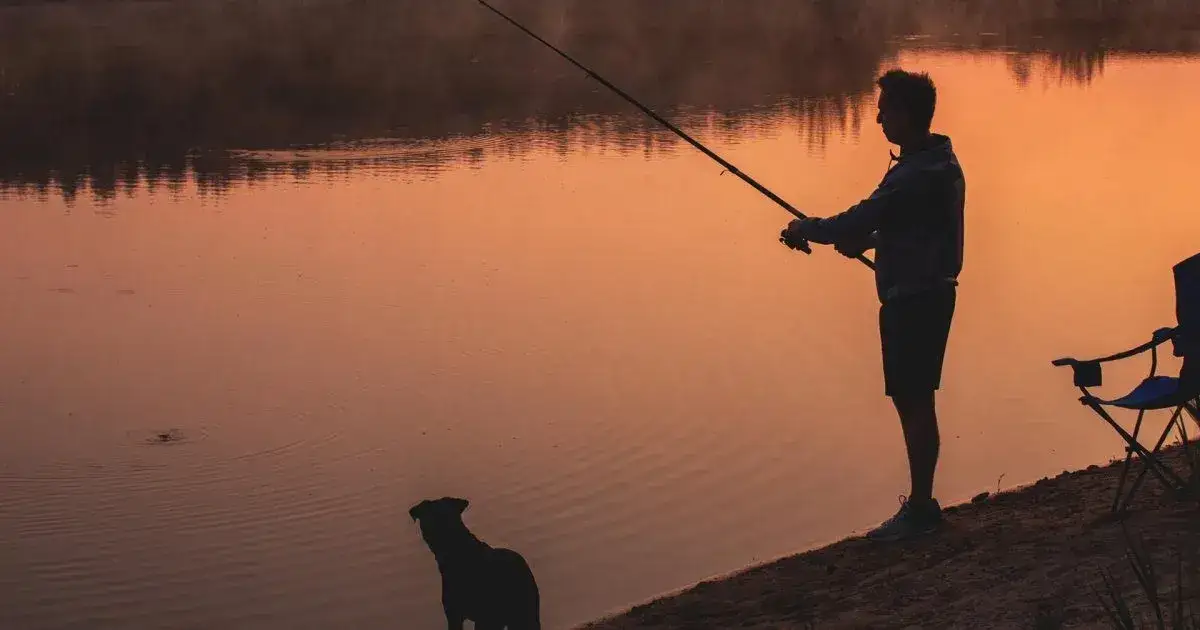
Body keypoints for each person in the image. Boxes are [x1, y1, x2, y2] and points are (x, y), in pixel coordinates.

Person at [780, 69, 965, 542]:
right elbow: (914, 229)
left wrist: (808, 228)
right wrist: (873, 241)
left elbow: (860, 216)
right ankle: (923, 503)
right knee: (916, 399)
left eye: (885, 110)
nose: (879, 117)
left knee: (914, 401)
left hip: (915, 301)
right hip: (926, 293)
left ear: (906, 114)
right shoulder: (940, 161)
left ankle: (921, 508)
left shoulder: (915, 173)